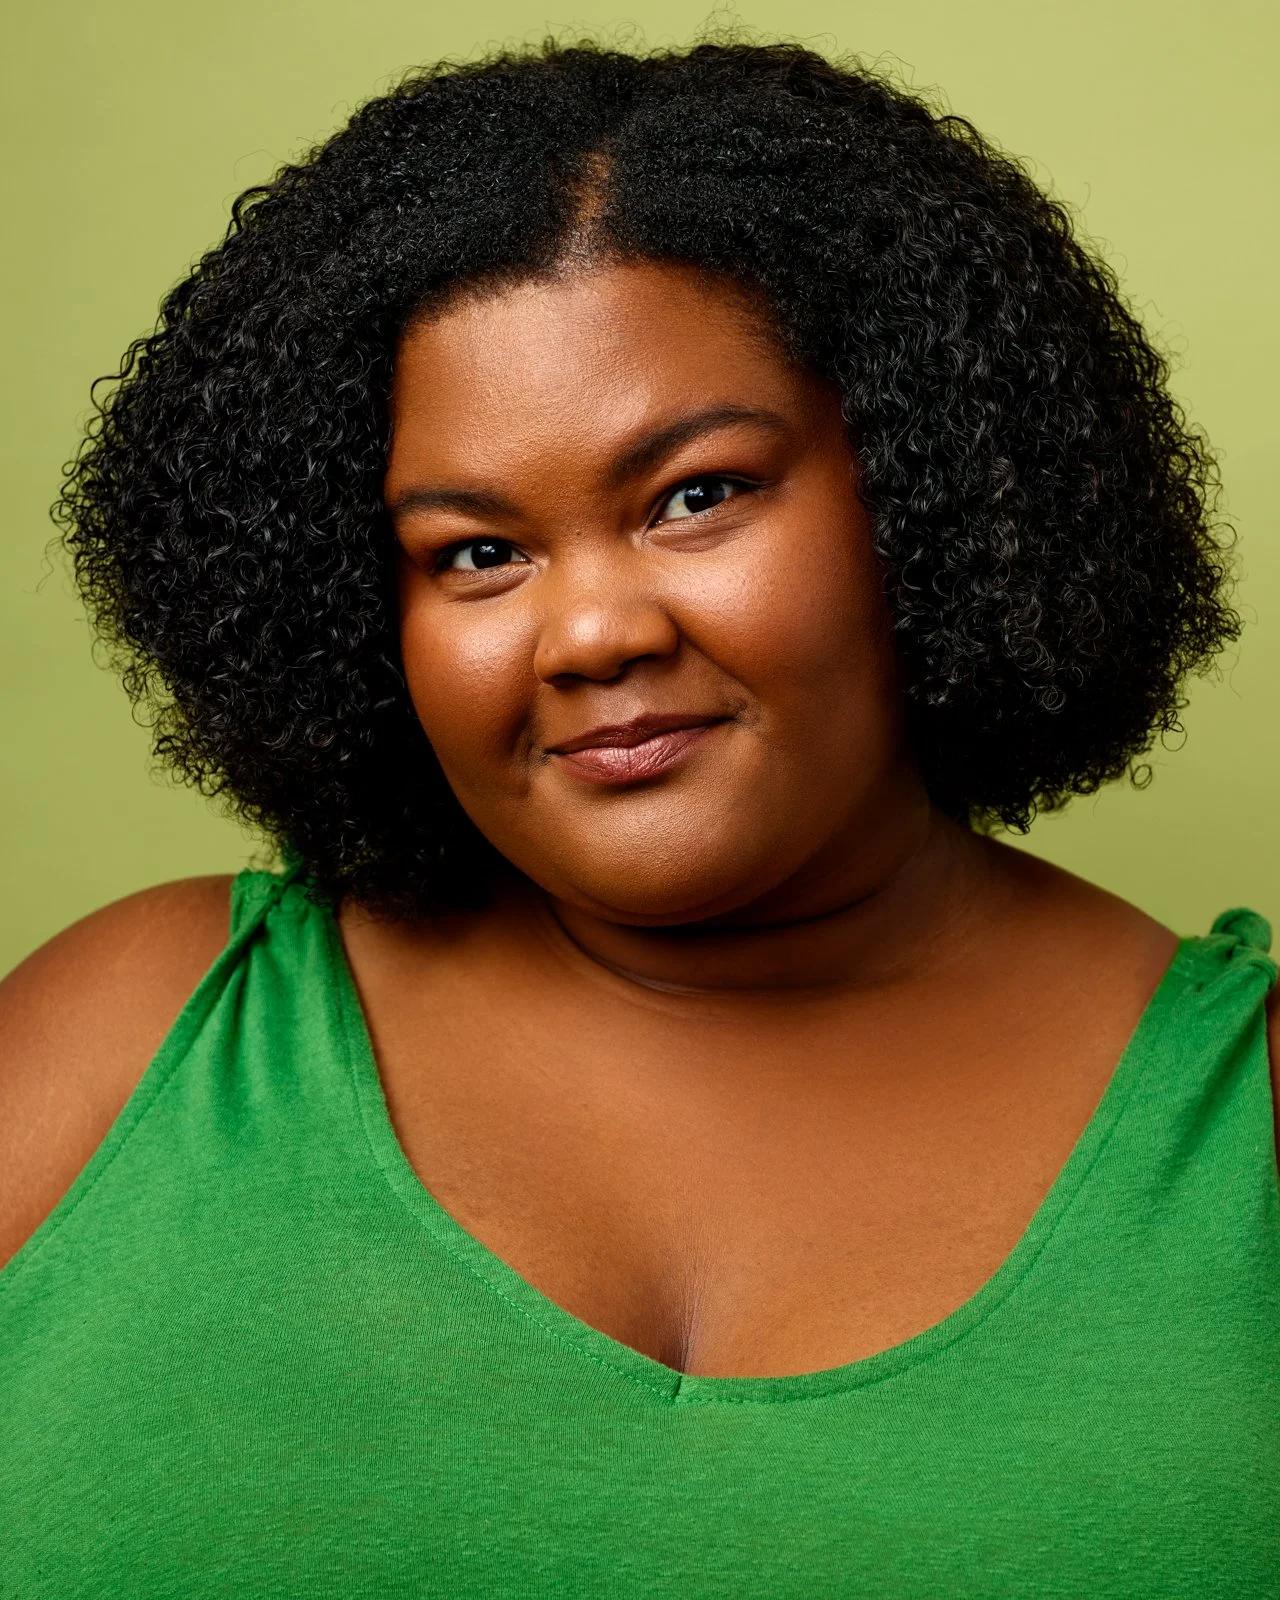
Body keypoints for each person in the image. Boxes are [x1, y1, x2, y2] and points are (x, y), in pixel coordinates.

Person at [1, 40, 1275, 1597]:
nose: (590, 631)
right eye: (475, 553)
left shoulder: (1246, 1125)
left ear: (930, 481)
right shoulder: (142, 1040)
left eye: (696, 495)